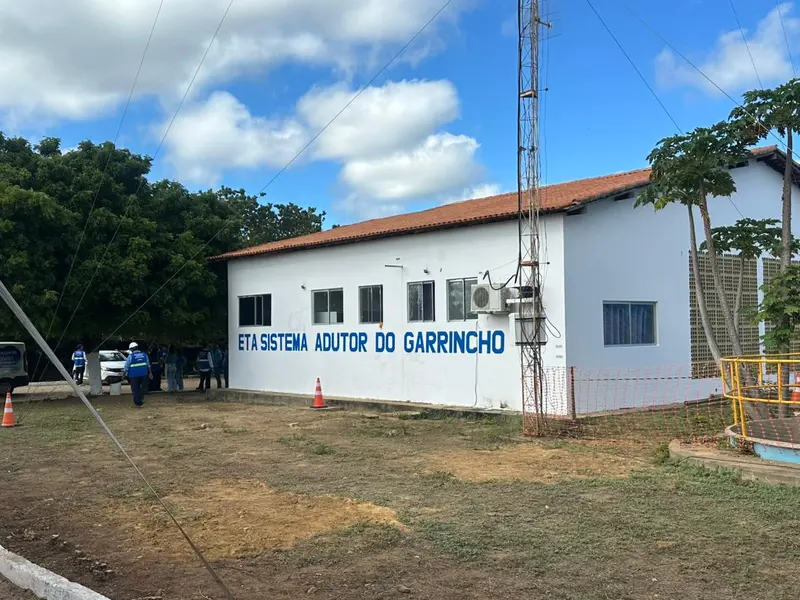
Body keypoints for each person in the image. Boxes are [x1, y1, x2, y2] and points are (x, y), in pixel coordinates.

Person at [124, 342, 151, 408]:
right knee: (143, 388)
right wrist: (150, 373)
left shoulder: (131, 356)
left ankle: (138, 403)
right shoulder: (144, 355)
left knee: (135, 389)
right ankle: (140, 399)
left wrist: (124, 374)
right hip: (143, 374)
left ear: (131, 349)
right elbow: (148, 365)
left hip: (133, 375)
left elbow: (126, 366)